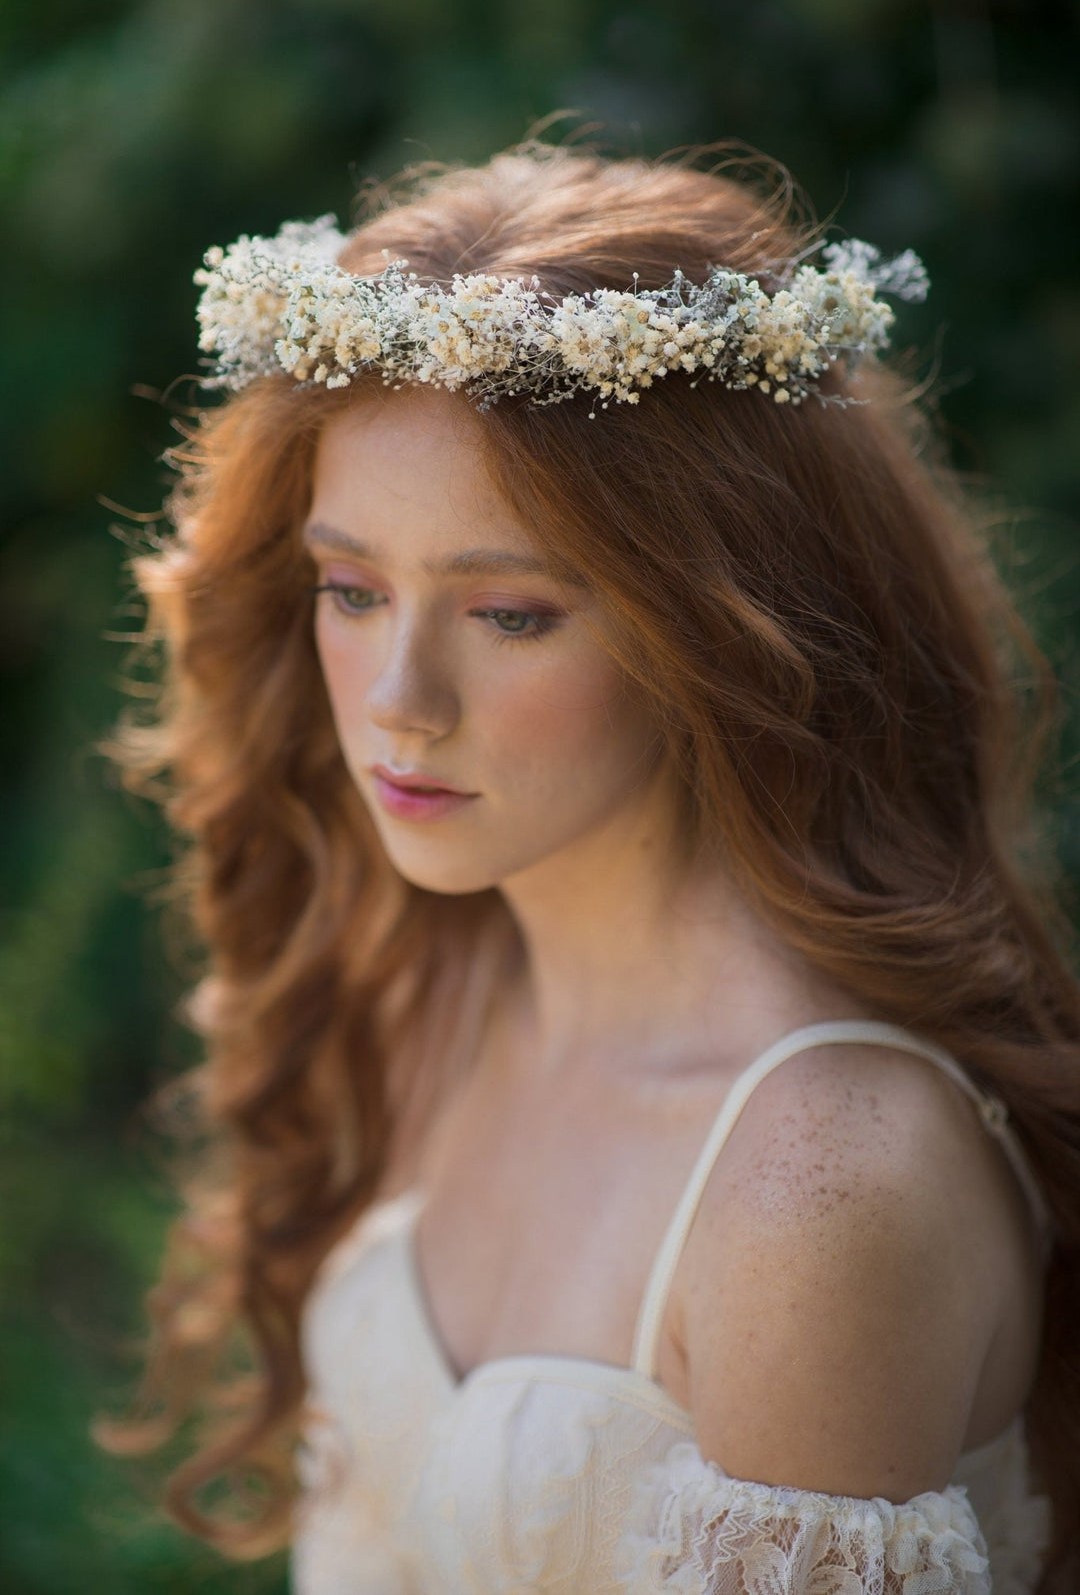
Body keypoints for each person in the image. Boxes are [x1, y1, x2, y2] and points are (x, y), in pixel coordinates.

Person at [94, 137, 1080, 1594]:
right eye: (353, 590)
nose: (399, 703)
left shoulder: (818, 1181)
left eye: (510, 615)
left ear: (725, 626)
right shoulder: (433, 988)